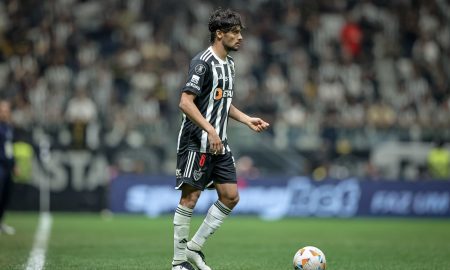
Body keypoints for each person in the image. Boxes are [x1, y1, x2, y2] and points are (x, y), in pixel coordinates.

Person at [171, 8, 270, 270]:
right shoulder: (202, 62)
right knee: (190, 199)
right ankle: (178, 262)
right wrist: (210, 130)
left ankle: (193, 248)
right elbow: (185, 102)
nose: (240, 38)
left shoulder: (230, 64)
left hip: (220, 143)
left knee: (230, 196)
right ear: (219, 34)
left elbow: (222, 103)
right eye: (235, 33)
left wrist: (247, 119)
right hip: (196, 141)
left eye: (240, 32)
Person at [0, 99, 15, 235]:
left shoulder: (8, 127)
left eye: (6, 110)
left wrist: (14, 164)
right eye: (2, 110)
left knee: (5, 195)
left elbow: (9, 149)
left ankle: (1, 222)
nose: (5, 113)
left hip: (7, 167)